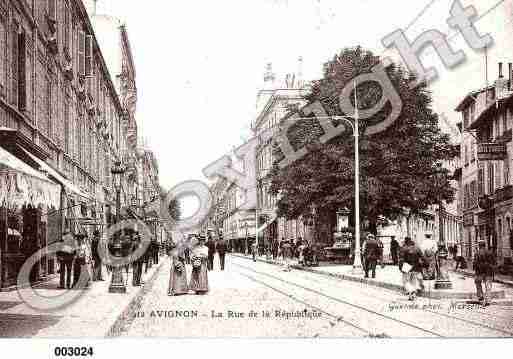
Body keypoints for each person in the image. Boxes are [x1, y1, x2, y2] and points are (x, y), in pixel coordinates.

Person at [399, 237, 425, 301]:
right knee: (413, 281)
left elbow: (401, 259)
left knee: (405, 281)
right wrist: (425, 264)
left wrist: (400, 267)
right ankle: (412, 295)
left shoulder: (403, 248)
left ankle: (412, 291)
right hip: (416, 266)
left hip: (406, 265)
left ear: (406, 241)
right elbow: (422, 257)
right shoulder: (417, 248)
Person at [473, 241, 496, 306]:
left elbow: (475, 263)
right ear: (485, 245)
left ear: (479, 246)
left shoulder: (477, 253)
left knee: (478, 284)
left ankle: (481, 297)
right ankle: (488, 300)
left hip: (479, 272)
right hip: (488, 272)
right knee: (488, 286)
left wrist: (475, 270)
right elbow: (493, 263)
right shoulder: (490, 253)